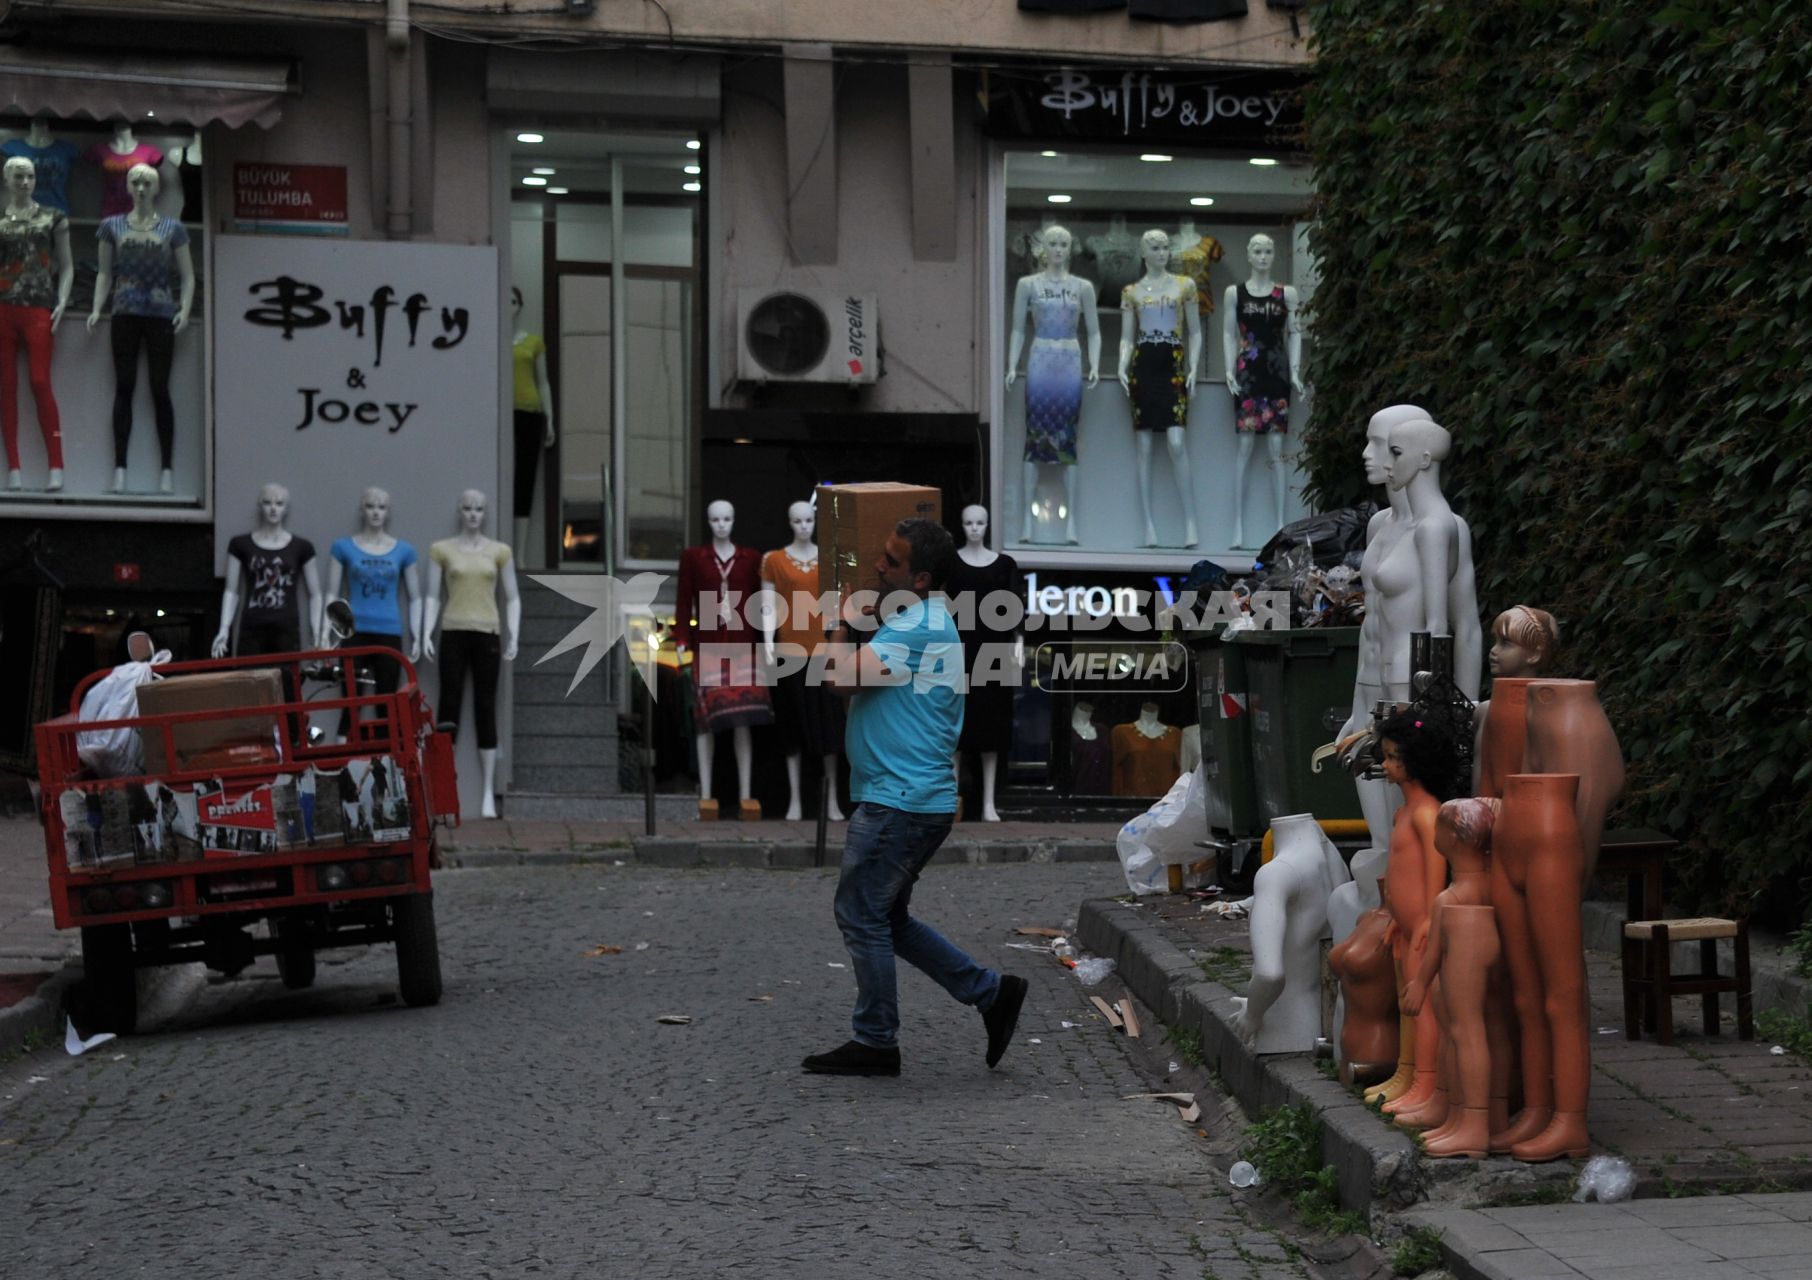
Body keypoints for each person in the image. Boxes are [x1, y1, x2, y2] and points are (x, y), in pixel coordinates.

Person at [802, 518, 1027, 1077]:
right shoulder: (918, 620)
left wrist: (838, 619)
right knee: (887, 917)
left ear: (921, 577)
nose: (879, 566)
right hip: (908, 797)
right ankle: (992, 994)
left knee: (860, 913)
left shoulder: (917, 627)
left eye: (892, 561)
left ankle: (877, 1041)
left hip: (899, 801)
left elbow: (841, 680)